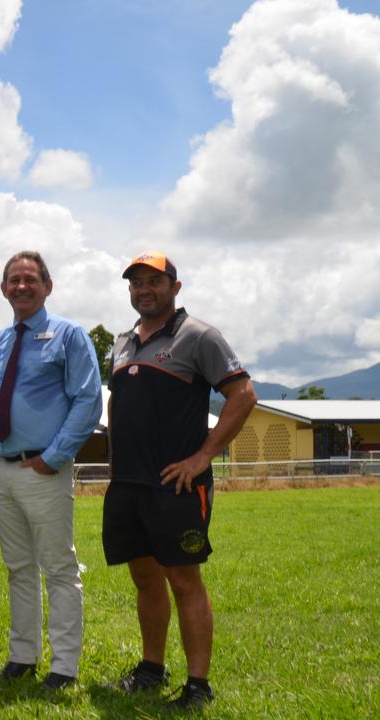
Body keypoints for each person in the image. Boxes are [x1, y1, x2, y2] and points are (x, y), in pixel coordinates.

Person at [105, 251, 256, 710]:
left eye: (154, 281)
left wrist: (202, 457)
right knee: (145, 580)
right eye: (136, 283)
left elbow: (243, 394)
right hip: (128, 485)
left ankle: (198, 685)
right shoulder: (122, 341)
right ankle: (152, 669)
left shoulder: (198, 336)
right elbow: (117, 410)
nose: (144, 290)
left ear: (175, 286)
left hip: (177, 485)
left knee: (184, 580)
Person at [0, 251, 102, 691]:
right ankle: (22, 656)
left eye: (30, 279)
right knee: (18, 566)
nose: (21, 286)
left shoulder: (68, 335)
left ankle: (64, 666)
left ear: (47, 286)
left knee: (58, 567)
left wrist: (54, 457)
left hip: (44, 468)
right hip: (3, 467)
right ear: (3, 289)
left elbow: (88, 400)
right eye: (13, 279)